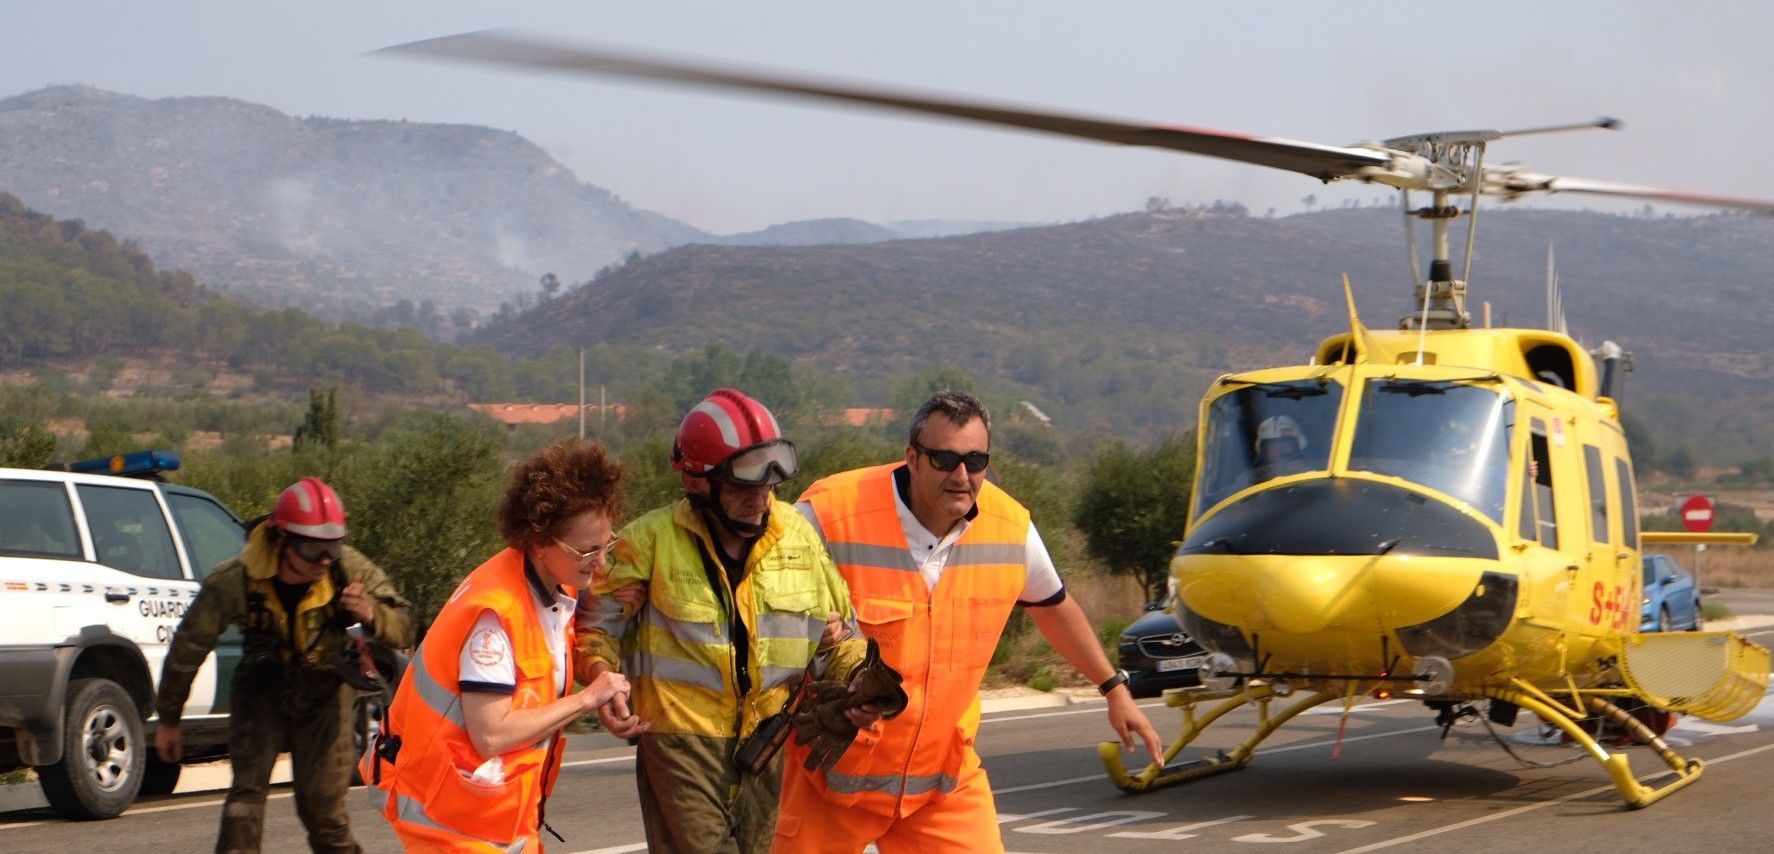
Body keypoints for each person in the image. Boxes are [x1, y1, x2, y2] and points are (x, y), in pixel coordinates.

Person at [772, 390, 1164, 853]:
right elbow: (767, 613)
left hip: (941, 785)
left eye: (975, 461)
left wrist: (1113, 688)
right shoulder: (829, 514)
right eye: (944, 459)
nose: (962, 475)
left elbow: (1054, 606)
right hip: (830, 774)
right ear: (911, 457)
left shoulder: (1010, 528)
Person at [576, 388, 877, 853]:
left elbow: (841, 634)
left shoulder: (798, 537)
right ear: (699, 483)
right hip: (681, 743)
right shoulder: (648, 542)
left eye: (769, 486)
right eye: (743, 487)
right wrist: (602, 681)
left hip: (766, 745)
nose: (760, 499)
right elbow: (594, 628)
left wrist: (862, 680)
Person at [365, 438, 633, 851]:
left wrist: (598, 676)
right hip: (453, 823)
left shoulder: (553, 584)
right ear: (541, 542)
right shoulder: (495, 617)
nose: (600, 562)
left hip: (500, 819)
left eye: (607, 543)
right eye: (587, 550)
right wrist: (588, 700)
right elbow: (490, 735)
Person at [154, 476, 415, 854]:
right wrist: (169, 719)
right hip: (261, 688)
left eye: (333, 547)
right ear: (281, 540)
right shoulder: (236, 580)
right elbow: (189, 647)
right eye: (312, 549)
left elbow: (406, 626)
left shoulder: (349, 570)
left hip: (326, 692)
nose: (324, 561)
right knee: (245, 799)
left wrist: (372, 613)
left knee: (323, 811)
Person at [1252, 413, 1311, 482]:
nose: (1280, 449)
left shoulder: (1315, 470)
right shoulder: (1249, 480)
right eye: (1273, 445)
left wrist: (1306, 472)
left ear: (1297, 446)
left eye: (1285, 443)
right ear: (1264, 451)